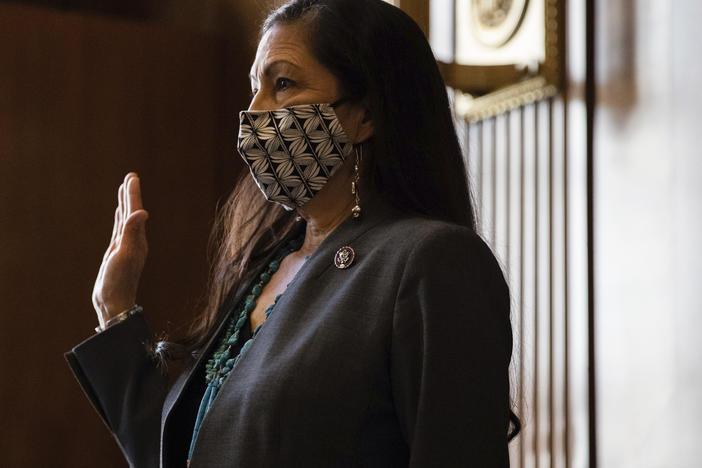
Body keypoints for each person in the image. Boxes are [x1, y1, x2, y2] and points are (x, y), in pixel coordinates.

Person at [65, 0, 521, 466]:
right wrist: (115, 310)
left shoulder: (431, 262)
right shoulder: (264, 267)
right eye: (254, 88)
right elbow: (183, 454)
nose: (254, 112)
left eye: (283, 84)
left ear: (365, 116)